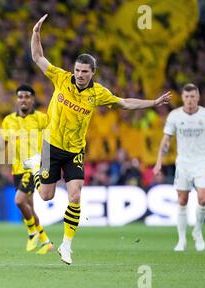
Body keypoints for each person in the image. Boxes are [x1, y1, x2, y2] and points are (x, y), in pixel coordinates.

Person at [26, 14, 172, 265]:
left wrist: (154, 102)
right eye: (78, 70)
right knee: (47, 197)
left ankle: (67, 245)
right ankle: (36, 168)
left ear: (93, 73)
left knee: (74, 195)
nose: (80, 75)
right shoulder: (61, 78)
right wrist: (36, 34)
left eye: (85, 72)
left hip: (75, 150)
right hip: (51, 145)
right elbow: (38, 57)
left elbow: (125, 103)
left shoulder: (98, 93)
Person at [153, 83, 205, 252]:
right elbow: (166, 140)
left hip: (202, 163)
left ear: (198, 97)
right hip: (183, 163)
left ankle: (197, 231)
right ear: (182, 98)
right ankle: (181, 239)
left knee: (203, 200)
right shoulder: (175, 116)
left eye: (193, 97)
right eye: (187, 97)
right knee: (182, 200)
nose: (190, 100)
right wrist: (159, 161)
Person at [0, 84, 53, 254]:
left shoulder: (41, 118)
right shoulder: (8, 120)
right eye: (20, 96)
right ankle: (45, 240)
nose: (23, 99)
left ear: (32, 99)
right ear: (17, 99)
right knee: (28, 207)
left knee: (19, 201)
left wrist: (48, 164)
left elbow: (50, 142)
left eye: (27, 96)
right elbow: (3, 144)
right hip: (17, 169)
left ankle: (32, 233)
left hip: (35, 167)